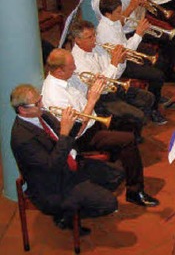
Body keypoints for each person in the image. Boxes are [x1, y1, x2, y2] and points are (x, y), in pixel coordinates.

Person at [42, 49, 160, 208]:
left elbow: (84, 95)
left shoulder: (68, 77)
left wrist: (96, 84)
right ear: (59, 71)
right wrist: (91, 100)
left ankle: (115, 170)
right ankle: (134, 191)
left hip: (92, 122)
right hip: (81, 137)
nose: (76, 68)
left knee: (129, 122)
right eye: (72, 66)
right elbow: (76, 129)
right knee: (128, 140)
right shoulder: (54, 94)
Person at [10, 84, 118, 235]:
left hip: (68, 165)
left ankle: (81, 202)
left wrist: (75, 121)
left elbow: (70, 137)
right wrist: (64, 134)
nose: (42, 104)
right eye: (37, 103)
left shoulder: (42, 115)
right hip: (52, 186)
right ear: (23, 110)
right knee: (110, 203)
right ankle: (65, 217)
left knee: (116, 175)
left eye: (40, 99)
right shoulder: (22, 138)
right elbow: (52, 167)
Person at [69, 20, 166, 128]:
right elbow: (101, 86)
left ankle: (134, 128)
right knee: (138, 116)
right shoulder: (76, 61)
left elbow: (116, 75)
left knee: (148, 97)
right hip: (101, 98)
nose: (94, 39)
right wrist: (114, 63)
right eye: (90, 37)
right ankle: (130, 133)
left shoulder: (97, 47)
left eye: (94, 35)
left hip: (113, 87)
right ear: (78, 40)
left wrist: (121, 61)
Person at [97, 0, 168, 110]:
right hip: (121, 65)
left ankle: (156, 96)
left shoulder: (113, 21)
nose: (122, 15)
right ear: (108, 14)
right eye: (118, 12)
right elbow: (126, 52)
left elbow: (124, 43)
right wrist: (139, 34)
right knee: (157, 76)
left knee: (159, 61)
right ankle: (153, 110)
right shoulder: (105, 31)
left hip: (127, 56)